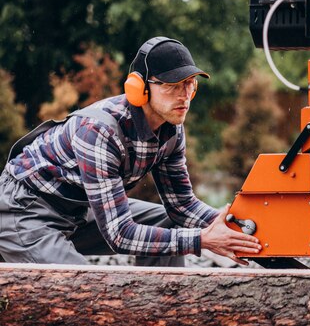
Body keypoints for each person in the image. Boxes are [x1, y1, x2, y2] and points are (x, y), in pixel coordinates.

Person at [0, 37, 261, 266]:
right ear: (139, 89)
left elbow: (182, 206)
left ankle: (162, 311)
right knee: (84, 290)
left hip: (80, 210)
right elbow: (119, 234)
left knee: (171, 222)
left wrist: (229, 224)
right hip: (26, 210)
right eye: (173, 86)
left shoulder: (170, 128)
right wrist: (203, 239)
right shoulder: (100, 131)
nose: (185, 96)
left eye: (190, 84)